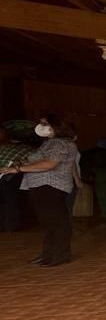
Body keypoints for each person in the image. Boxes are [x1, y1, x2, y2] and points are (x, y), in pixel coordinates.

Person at [0, 114, 80, 266]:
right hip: (42, 185)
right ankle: (48, 254)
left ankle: (59, 255)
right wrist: (21, 163)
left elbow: (50, 164)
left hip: (51, 185)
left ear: (56, 126)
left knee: (56, 221)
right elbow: (38, 160)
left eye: (45, 123)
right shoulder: (50, 143)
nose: (41, 126)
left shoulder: (60, 143)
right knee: (49, 221)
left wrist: (17, 169)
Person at [0, 126, 33, 232]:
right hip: (13, 177)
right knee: (12, 201)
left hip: (2, 174)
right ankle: (11, 225)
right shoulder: (29, 149)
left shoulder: (3, 147)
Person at [80, 146, 106, 227]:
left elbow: (86, 163)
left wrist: (86, 175)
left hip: (100, 173)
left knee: (103, 197)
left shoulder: (90, 151)